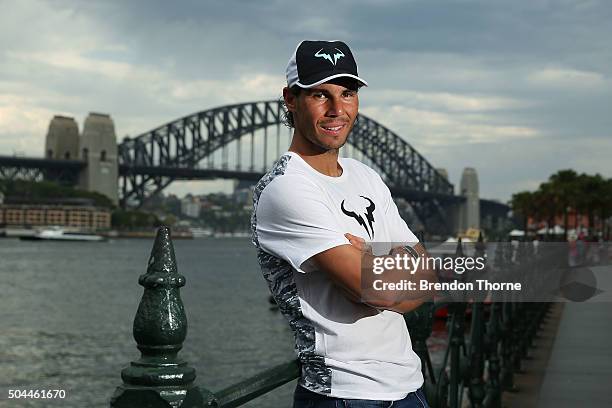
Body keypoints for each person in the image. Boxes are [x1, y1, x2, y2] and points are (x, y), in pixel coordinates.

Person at [251, 40, 432, 408]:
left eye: (347, 93)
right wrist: (391, 266)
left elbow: (425, 276)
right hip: (344, 395)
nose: (337, 110)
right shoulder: (286, 188)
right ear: (290, 99)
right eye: (321, 95)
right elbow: (379, 291)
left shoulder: (365, 176)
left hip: (409, 388)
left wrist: (368, 260)